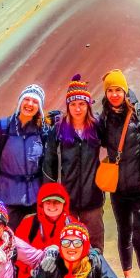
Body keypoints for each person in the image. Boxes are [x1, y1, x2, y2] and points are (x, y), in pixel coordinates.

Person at [97, 69, 140, 278]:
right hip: (119, 188)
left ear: (125, 90)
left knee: (139, 237)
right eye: (110, 90)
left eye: (118, 90)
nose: (114, 94)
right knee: (124, 234)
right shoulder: (104, 118)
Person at [42, 74, 105, 251]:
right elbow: (49, 164)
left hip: (93, 198)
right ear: (68, 106)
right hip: (66, 199)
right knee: (66, 241)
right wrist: (51, 196)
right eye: (73, 104)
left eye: (82, 104)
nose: (77, 109)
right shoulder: (58, 129)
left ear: (88, 105)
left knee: (95, 244)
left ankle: (95, 269)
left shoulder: (97, 127)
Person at [0, 84, 49, 231]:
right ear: (20, 101)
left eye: (35, 101)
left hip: (36, 197)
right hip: (7, 197)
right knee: (4, 235)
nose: (30, 104)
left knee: (34, 238)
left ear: (40, 107)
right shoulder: (2, 127)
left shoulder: (43, 130)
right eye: (26, 99)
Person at [13, 182, 77, 278]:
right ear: (41, 204)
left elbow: (81, 253)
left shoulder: (73, 224)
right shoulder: (28, 223)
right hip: (32, 276)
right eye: (48, 202)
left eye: (57, 202)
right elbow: (17, 253)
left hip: (63, 276)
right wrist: (31, 271)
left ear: (64, 204)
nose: (52, 206)